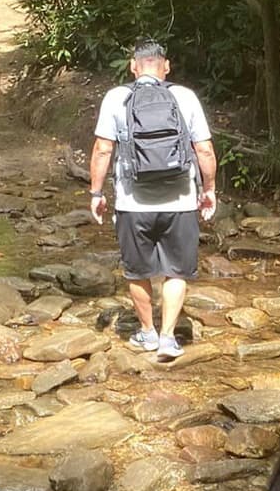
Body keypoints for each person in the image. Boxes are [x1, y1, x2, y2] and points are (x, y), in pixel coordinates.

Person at [89, 39, 217, 361]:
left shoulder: (116, 98)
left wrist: (96, 193)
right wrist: (209, 189)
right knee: (176, 272)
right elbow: (204, 149)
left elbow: (103, 149)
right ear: (166, 66)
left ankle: (146, 333)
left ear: (133, 66)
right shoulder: (184, 96)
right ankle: (167, 338)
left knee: (138, 271)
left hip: (133, 204)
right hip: (180, 202)